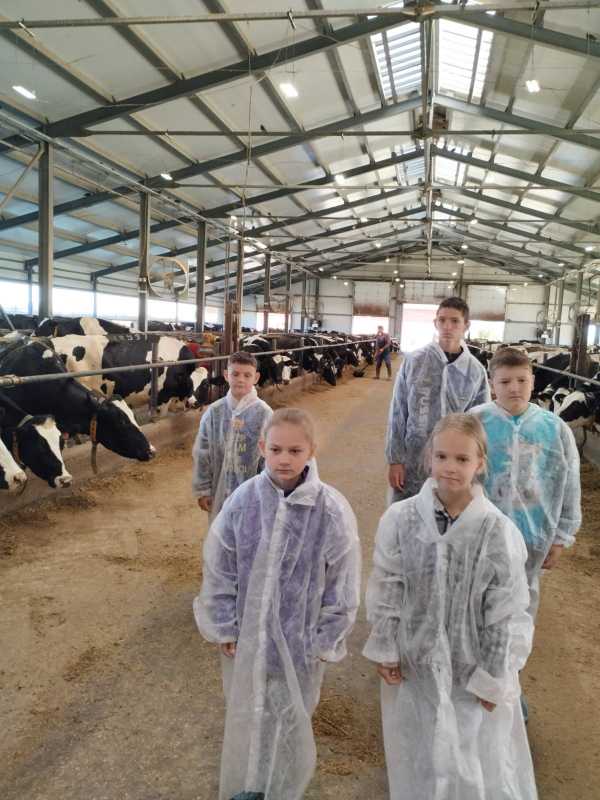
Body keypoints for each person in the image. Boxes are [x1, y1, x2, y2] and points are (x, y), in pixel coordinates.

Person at [364, 413, 537, 800]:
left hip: (471, 674)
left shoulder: (496, 532)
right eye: (441, 456)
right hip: (415, 665)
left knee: (471, 757)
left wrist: (493, 676)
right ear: (428, 458)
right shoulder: (402, 520)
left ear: (480, 464)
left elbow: (506, 611)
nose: (450, 467)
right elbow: (388, 585)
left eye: (462, 459)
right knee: (420, 749)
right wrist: (386, 646)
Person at [193, 408, 361, 800]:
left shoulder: (330, 510)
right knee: (250, 710)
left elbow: (343, 581)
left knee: (291, 713)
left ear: (311, 451)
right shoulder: (244, 501)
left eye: (295, 451)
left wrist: (325, 639)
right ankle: (250, 783)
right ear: (262, 448)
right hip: (248, 636)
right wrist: (224, 623)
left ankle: (282, 787)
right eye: (276, 449)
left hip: (301, 642)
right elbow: (220, 564)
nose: (284, 459)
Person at [469, 347, 582, 619]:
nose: (514, 388)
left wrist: (561, 537)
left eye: (522, 380)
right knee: (475, 592)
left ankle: (515, 644)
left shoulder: (554, 428)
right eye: (505, 381)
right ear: (492, 384)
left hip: (533, 533)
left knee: (522, 596)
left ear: (533, 381)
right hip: (481, 528)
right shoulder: (475, 421)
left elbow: (569, 483)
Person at [386, 296, 490, 502]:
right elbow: (398, 412)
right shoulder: (414, 361)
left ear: (466, 325)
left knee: (449, 513)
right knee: (408, 513)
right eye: (442, 320)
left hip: (455, 463)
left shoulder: (475, 371)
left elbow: (480, 423)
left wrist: (472, 466)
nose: (447, 327)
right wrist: (395, 460)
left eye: (455, 321)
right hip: (413, 461)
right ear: (435, 323)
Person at [191, 351, 272, 519]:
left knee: (249, 529)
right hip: (218, 492)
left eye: (247, 375)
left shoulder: (264, 413)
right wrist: (203, 489)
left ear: (256, 378)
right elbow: (203, 452)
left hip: (253, 493)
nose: (240, 379)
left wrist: (267, 492)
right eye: (235, 374)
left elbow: (270, 457)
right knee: (221, 529)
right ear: (226, 375)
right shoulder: (214, 412)